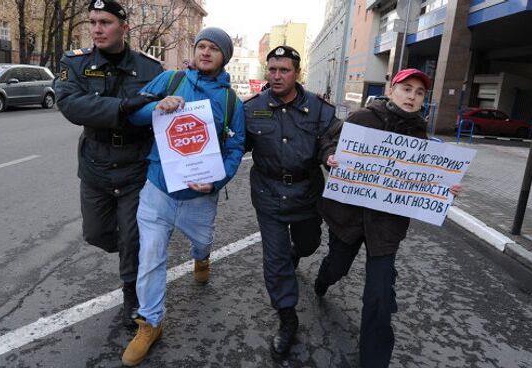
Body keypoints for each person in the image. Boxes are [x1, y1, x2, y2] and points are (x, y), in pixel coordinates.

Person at [314, 68, 462, 368]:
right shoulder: (362, 118)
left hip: (387, 226)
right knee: (338, 267)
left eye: (419, 93)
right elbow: (328, 142)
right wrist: (330, 156)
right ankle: (323, 279)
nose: (412, 96)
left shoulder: (420, 135)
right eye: (407, 89)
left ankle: (374, 360)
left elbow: (423, 177)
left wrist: (445, 186)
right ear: (392, 89)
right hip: (349, 219)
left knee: (379, 295)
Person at [120, 27, 245, 366]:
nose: (205, 52)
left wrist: (217, 181)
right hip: (158, 187)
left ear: (224, 57)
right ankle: (150, 322)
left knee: (203, 241)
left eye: (213, 49)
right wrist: (156, 108)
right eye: (201, 46)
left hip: (199, 195)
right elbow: (133, 113)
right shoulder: (170, 80)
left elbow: (235, 148)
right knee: (151, 256)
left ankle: (201, 257)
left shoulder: (232, 101)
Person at [54, 0, 163, 329]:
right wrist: (126, 106)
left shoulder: (150, 69)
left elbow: (162, 115)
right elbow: (71, 104)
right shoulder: (75, 63)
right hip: (96, 165)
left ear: (124, 27)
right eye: (93, 22)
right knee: (96, 234)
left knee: (132, 236)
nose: (97, 29)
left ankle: (132, 290)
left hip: (135, 166)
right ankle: (136, 256)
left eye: (105, 22)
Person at [243, 45, 337, 359]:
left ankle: (298, 253)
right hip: (268, 195)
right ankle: (287, 317)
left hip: (307, 195)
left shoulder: (320, 109)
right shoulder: (251, 107)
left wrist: (330, 156)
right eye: (272, 70)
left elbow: (330, 141)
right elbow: (234, 146)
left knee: (309, 244)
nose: (277, 76)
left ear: (297, 73)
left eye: (284, 70)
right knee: (275, 258)